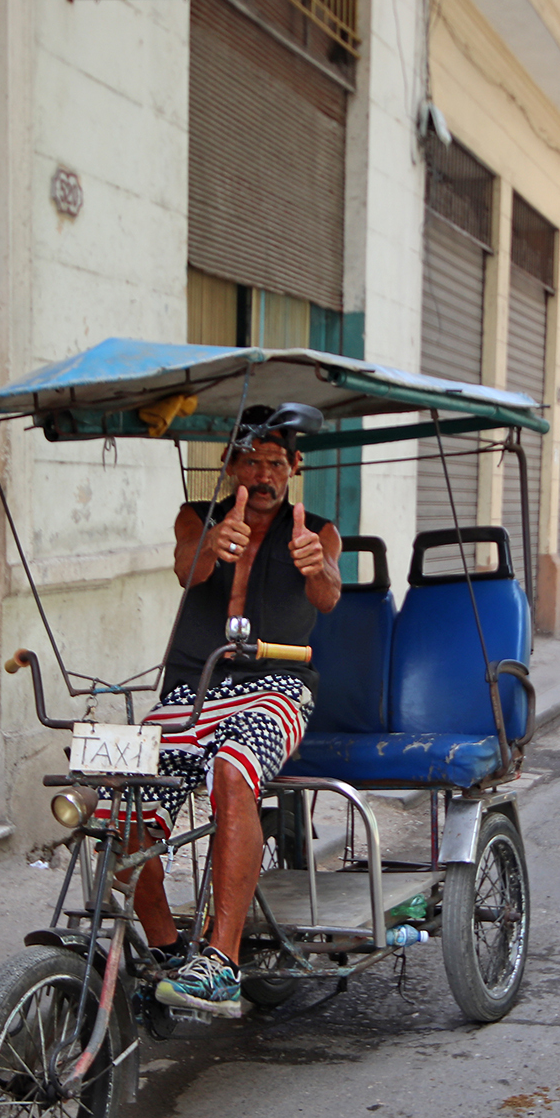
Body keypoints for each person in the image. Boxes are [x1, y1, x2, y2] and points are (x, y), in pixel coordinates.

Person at [115, 404, 342, 1016]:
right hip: (194, 689)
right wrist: (211, 545)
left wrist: (315, 565)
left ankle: (221, 961)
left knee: (232, 769)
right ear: (229, 464)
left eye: (276, 463)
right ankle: (166, 950)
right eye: (251, 461)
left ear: (295, 466)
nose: (264, 475)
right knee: (120, 794)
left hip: (278, 688)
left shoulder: (317, 529)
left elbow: (328, 596)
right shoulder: (198, 516)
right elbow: (185, 570)